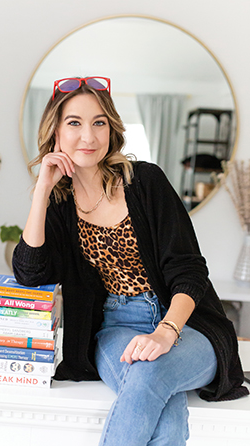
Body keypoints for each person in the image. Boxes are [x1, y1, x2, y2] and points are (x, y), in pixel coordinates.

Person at [13, 76, 248, 445]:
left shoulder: (147, 182)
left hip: (187, 323)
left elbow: (189, 271)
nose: (88, 137)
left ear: (112, 129)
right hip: (116, 326)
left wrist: (166, 331)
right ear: (55, 131)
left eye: (99, 122)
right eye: (74, 123)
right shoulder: (59, 205)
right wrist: (42, 190)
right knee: (153, 387)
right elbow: (30, 273)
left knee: (149, 376)